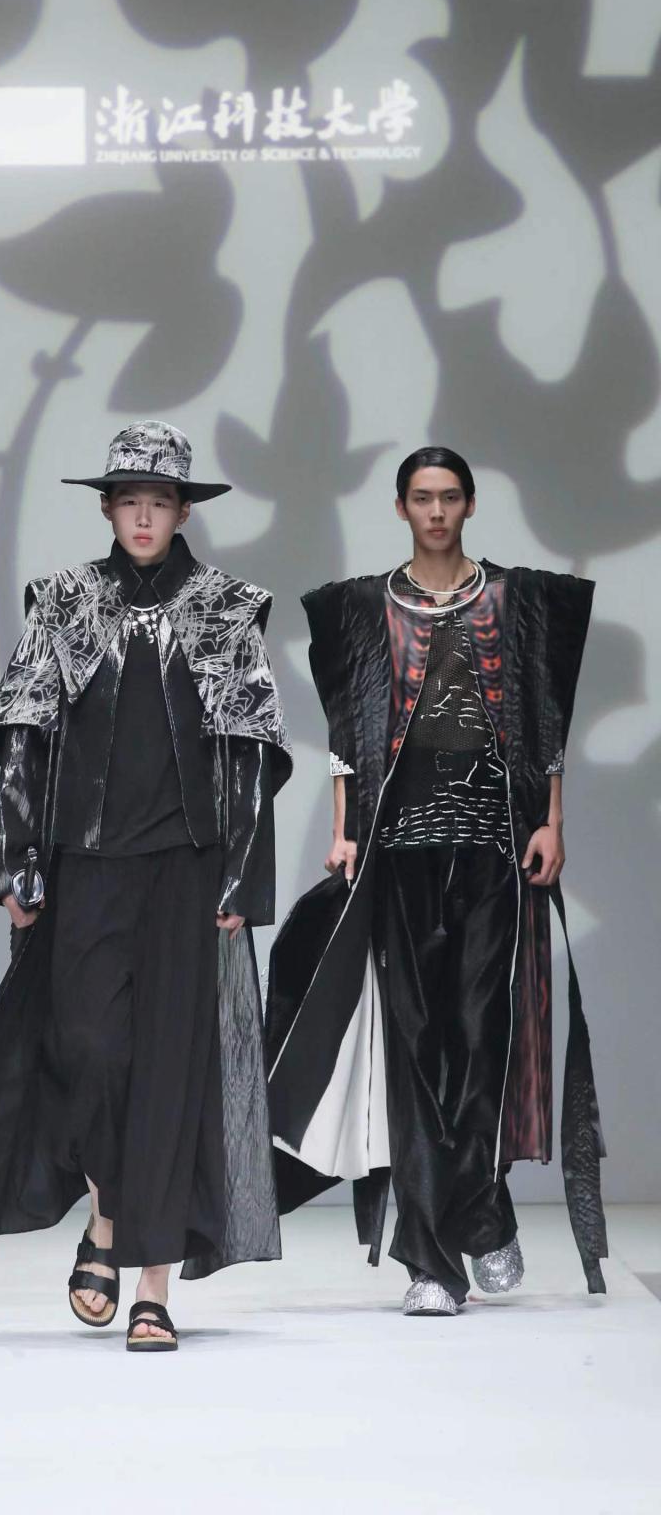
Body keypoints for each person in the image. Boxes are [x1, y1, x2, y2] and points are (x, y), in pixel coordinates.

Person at [0, 420, 291, 1351]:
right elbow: (23, 737)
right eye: (129, 501)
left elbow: (250, 753)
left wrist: (244, 874)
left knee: (170, 1070)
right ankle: (107, 1216)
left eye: (160, 502)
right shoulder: (63, 601)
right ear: (109, 509)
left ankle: (152, 1290)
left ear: (182, 512)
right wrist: (17, 860)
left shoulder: (228, 608)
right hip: (83, 865)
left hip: (186, 869)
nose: (144, 517)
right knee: (86, 1049)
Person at [265, 445, 606, 1315]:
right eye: (422, 497)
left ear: (470, 504)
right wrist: (343, 831)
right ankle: (430, 1258)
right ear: (401, 508)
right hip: (400, 845)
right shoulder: (363, 607)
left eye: (450, 497)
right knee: (413, 1044)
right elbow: (348, 732)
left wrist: (552, 820)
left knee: (481, 1035)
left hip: (494, 845)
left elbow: (545, 723)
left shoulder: (514, 601)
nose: (437, 511)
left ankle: (480, 1207)